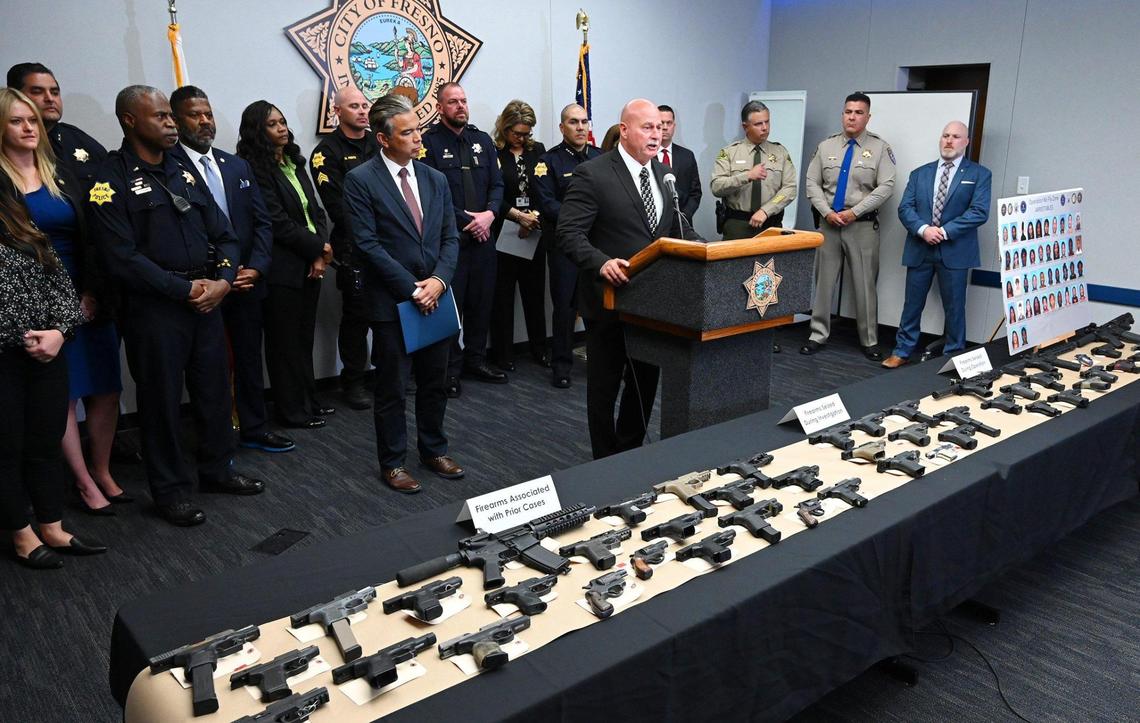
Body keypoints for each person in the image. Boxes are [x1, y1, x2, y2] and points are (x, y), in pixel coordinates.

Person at [87, 85, 265, 527]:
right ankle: (169, 490)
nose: (171, 123)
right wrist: (182, 290)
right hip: (155, 310)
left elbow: (224, 233)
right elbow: (120, 257)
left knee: (213, 390)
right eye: (161, 116)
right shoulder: (109, 180)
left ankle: (217, 469)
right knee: (162, 402)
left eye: (171, 116)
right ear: (130, 121)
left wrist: (223, 281)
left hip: (206, 300)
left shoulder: (183, 170)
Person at [0, 88, 126, 516]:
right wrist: (61, 311)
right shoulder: (1, 182)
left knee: (106, 388)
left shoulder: (59, 172)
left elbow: (90, 235)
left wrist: (90, 293)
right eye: (18, 121)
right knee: (63, 396)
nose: (29, 128)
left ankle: (103, 469)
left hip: (87, 291)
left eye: (33, 120)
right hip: (34, 304)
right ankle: (83, 481)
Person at [557, 99, 699, 459]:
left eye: (660, 127)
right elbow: (569, 233)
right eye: (647, 127)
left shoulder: (664, 175)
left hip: (652, 304)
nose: (657, 134)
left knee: (644, 385)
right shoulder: (594, 173)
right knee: (604, 388)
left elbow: (675, 230)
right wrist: (602, 262)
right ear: (624, 130)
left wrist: (705, 249)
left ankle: (631, 454)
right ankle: (604, 462)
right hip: (609, 302)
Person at [342, 93, 463, 493]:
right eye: (408, 132)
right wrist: (412, 289)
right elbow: (366, 244)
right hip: (393, 300)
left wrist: (439, 282)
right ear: (383, 138)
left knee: (435, 381)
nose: (417, 138)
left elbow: (449, 237)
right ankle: (392, 463)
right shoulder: (360, 180)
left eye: (418, 129)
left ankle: (433, 449)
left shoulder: (435, 178)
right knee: (392, 388)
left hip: (436, 296)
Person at [169, 86, 293, 454]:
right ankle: (217, 435)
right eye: (195, 115)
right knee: (207, 366)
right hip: (200, 285)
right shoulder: (167, 165)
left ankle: (255, 427)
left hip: (245, 281)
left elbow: (262, 222)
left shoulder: (236, 165)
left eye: (208, 114)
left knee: (249, 357)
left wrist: (256, 267)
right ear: (176, 120)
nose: (205, 121)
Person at [1, 172, 106, 568]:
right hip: (5, 356)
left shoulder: (26, 228)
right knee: (6, 447)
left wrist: (60, 332)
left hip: (47, 352)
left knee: (45, 442)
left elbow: (63, 288)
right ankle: (21, 534)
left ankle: (52, 526)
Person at [237, 100, 332, 430]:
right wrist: (319, 247)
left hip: (310, 262)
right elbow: (276, 221)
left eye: (283, 122)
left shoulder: (293, 161)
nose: (282, 128)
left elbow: (314, 211)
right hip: (282, 266)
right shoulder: (253, 168)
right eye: (273, 124)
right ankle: (292, 411)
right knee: (284, 342)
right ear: (257, 131)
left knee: (303, 338)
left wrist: (320, 251)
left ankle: (309, 401)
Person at [881, 122, 990, 369]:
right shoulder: (921, 173)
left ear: (966, 142)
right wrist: (923, 230)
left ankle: (954, 356)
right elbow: (905, 208)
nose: (949, 141)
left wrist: (942, 231)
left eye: (956, 137)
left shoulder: (979, 175)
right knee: (912, 304)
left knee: (954, 307)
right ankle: (902, 350)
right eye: (945, 136)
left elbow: (979, 212)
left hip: (955, 251)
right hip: (921, 248)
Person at [420, 83, 505, 397]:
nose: (460, 106)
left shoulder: (482, 140)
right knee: (451, 308)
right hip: (451, 241)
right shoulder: (428, 144)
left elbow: (497, 186)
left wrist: (490, 215)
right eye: (453, 102)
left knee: (482, 304)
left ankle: (476, 360)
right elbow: (430, 194)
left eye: (464, 101)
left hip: (484, 239)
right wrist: (468, 220)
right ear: (440, 107)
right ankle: (450, 370)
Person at [802, 92, 896, 361]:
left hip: (862, 226)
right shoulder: (826, 147)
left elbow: (886, 186)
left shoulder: (880, 148)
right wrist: (826, 212)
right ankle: (817, 334)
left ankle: (869, 340)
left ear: (868, 117)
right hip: (829, 224)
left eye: (858, 112)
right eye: (847, 111)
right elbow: (812, 183)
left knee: (865, 284)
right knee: (823, 283)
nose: (851, 117)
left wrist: (855, 212)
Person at [309, 87, 379, 411]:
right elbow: (339, 207)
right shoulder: (326, 153)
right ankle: (353, 381)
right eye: (354, 106)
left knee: (389, 314)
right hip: (355, 248)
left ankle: (388, 373)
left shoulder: (380, 142)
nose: (362, 111)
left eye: (365, 105)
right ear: (337, 111)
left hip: (389, 243)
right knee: (357, 317)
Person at [534, 103, 602, 389]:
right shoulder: (548, 161)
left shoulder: (602, 158)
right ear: (562, 128)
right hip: (564, 247)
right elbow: (546, 203)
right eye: (573, 122)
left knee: (598, 308)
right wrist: (581, 218)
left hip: (596, 245)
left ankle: (600, 362)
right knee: (564, 307)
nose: (580, 127)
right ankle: (561, 365)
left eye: (585, 121)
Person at [489, 100, 548, 372]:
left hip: (533, 232)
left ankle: (539, 348)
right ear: (505, 128)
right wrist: (516, 216)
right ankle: (503, 354)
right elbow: (491, 195)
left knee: (534, 295)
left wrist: (532, 217)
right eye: (517, 133)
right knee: (502, 298)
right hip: (503, 232)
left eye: (526, 133)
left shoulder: (538, 151)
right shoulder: (493, 152)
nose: (522, 138)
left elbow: (544, 190)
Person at [7, 63, 107, 192]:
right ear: (15, 96)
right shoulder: (9, 146)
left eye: (55, 92)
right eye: (37, 92)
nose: (49, 98)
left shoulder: (81, 141)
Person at [711, 100, 797, 240]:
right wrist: (747, 176)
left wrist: (766, 210)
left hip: (771, 224)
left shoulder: (780, 152)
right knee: (735, 263)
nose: (765, 128)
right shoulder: (729, 153)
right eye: (758, 124)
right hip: (738, 225)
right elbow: (717, 187)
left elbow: (789, 189)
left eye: (767, 122)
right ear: (745, 127)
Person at [656, 105, 701, 221]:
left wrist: (685, 215)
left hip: (682, 221)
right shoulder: (646, 156)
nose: (665, 127)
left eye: (669, 123)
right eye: (661, 123)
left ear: (674, 126)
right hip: (654, 222)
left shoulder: (687, 156)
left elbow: (695, 192)